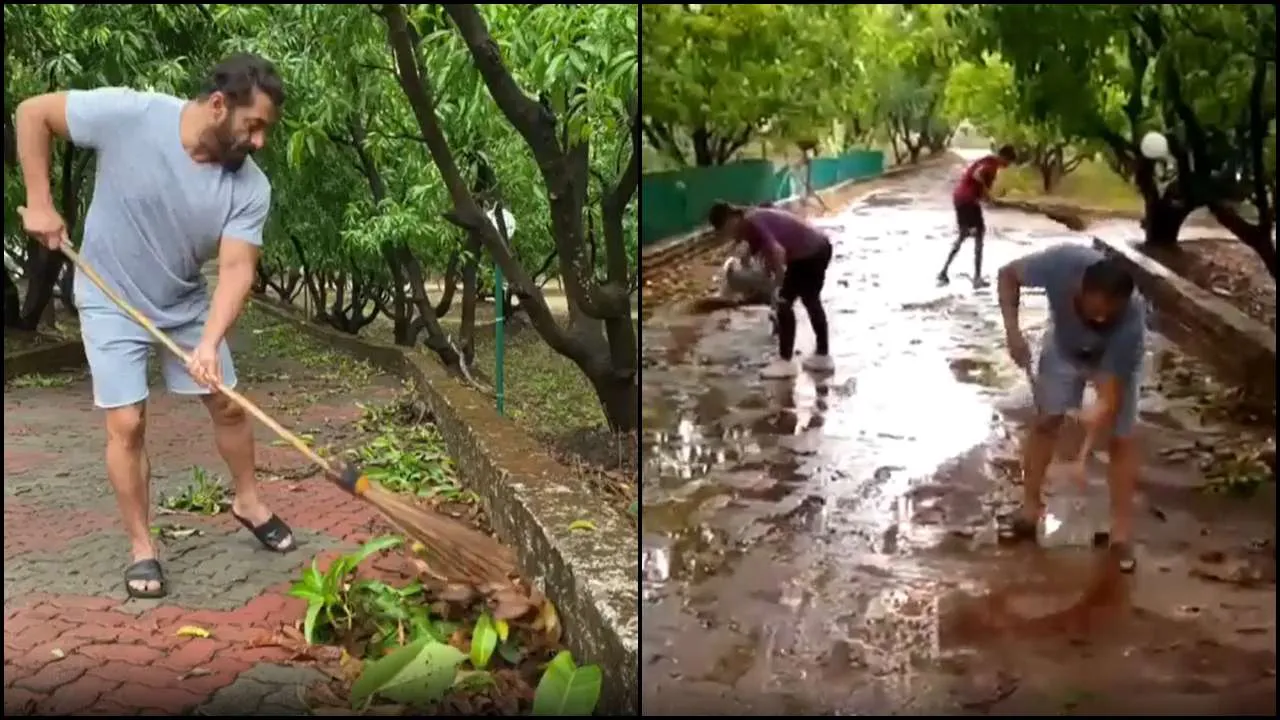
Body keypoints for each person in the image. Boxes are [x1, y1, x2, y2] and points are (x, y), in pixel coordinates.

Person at [15, 53, 293, 599]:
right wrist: (39, 201)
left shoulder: (249, 188)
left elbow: (237, 269)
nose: (259, 142)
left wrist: (210, 342)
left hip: (183, 304)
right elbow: (32, 112)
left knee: (228, 402)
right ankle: (143, 548)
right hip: (109, 296)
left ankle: (247, 501)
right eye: (253, 126)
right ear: (219, 105)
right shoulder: (132, 114)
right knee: (127, 422)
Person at [996, 242, 1146, 572]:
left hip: (1109, 361)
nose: (1101, 318)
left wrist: (1088, 439)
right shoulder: (1061, 265)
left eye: (1109, 315)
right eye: (1093, 311)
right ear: (1078, 288)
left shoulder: (1131, 321)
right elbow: (1007, 275)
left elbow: (1109, 395)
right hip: (1063, 350)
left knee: (1121, 438)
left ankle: (1120, 536)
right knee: (1046, 422)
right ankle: (1029, 511)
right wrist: (1013, 333)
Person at [708, 201, 834, 379]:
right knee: (808, 299)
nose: (729, 234)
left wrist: (779, 284)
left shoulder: (753, 220)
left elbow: (777, 251)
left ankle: (786, 361)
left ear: (731, 218)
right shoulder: (750, 223)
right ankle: (822, 356)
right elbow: (766, 254)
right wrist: (769, 276)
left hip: (810, 253)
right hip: (815, 249)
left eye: (726, 229)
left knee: (785, 301)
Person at [938, 144, 1017, 288]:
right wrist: (987, 192)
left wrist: (991, 199)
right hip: (968, 200)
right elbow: (977, 175)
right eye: (1009, 162)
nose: (1008, 165)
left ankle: (944, 271)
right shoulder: (991, 165)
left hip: (959, 198)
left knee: (963, 235)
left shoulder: (987, 161)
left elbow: (981, 190)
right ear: (1004, 157)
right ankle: (977, 278)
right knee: (979, 235)